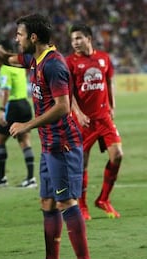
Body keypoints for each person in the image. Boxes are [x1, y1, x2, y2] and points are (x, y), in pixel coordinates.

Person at [0, 3, 97, 259]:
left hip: (63, 145)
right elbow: (2, 56)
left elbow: (63, 107)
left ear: (33, 37)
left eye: (20, 34)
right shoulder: (34, 60)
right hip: (49, 146)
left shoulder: (54, 64)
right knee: (48, 202)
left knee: (66, 202)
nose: (17, 39)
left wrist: (27, 125)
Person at [66, 24, 123, 220]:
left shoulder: (104, 58)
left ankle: (103, 199)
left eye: (79, 38)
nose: (75, 42)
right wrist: (79, 114)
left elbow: (109, 82)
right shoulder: (70, 63)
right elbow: (68, 93)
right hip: (84, 121)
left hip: (104, 117)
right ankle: (82, 206)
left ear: (89, 38)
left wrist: (112, 106)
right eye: (73, 39)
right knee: (82, 164)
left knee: (117, 155)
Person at [0, 39, 36, 188]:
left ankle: (1, 177)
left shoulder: (5, 68)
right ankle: (31, 178)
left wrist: (2, 110)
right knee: (25, 141)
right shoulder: (20, 66)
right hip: (26, 105)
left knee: (0, 141)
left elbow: (6, 91)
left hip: (13, 106)